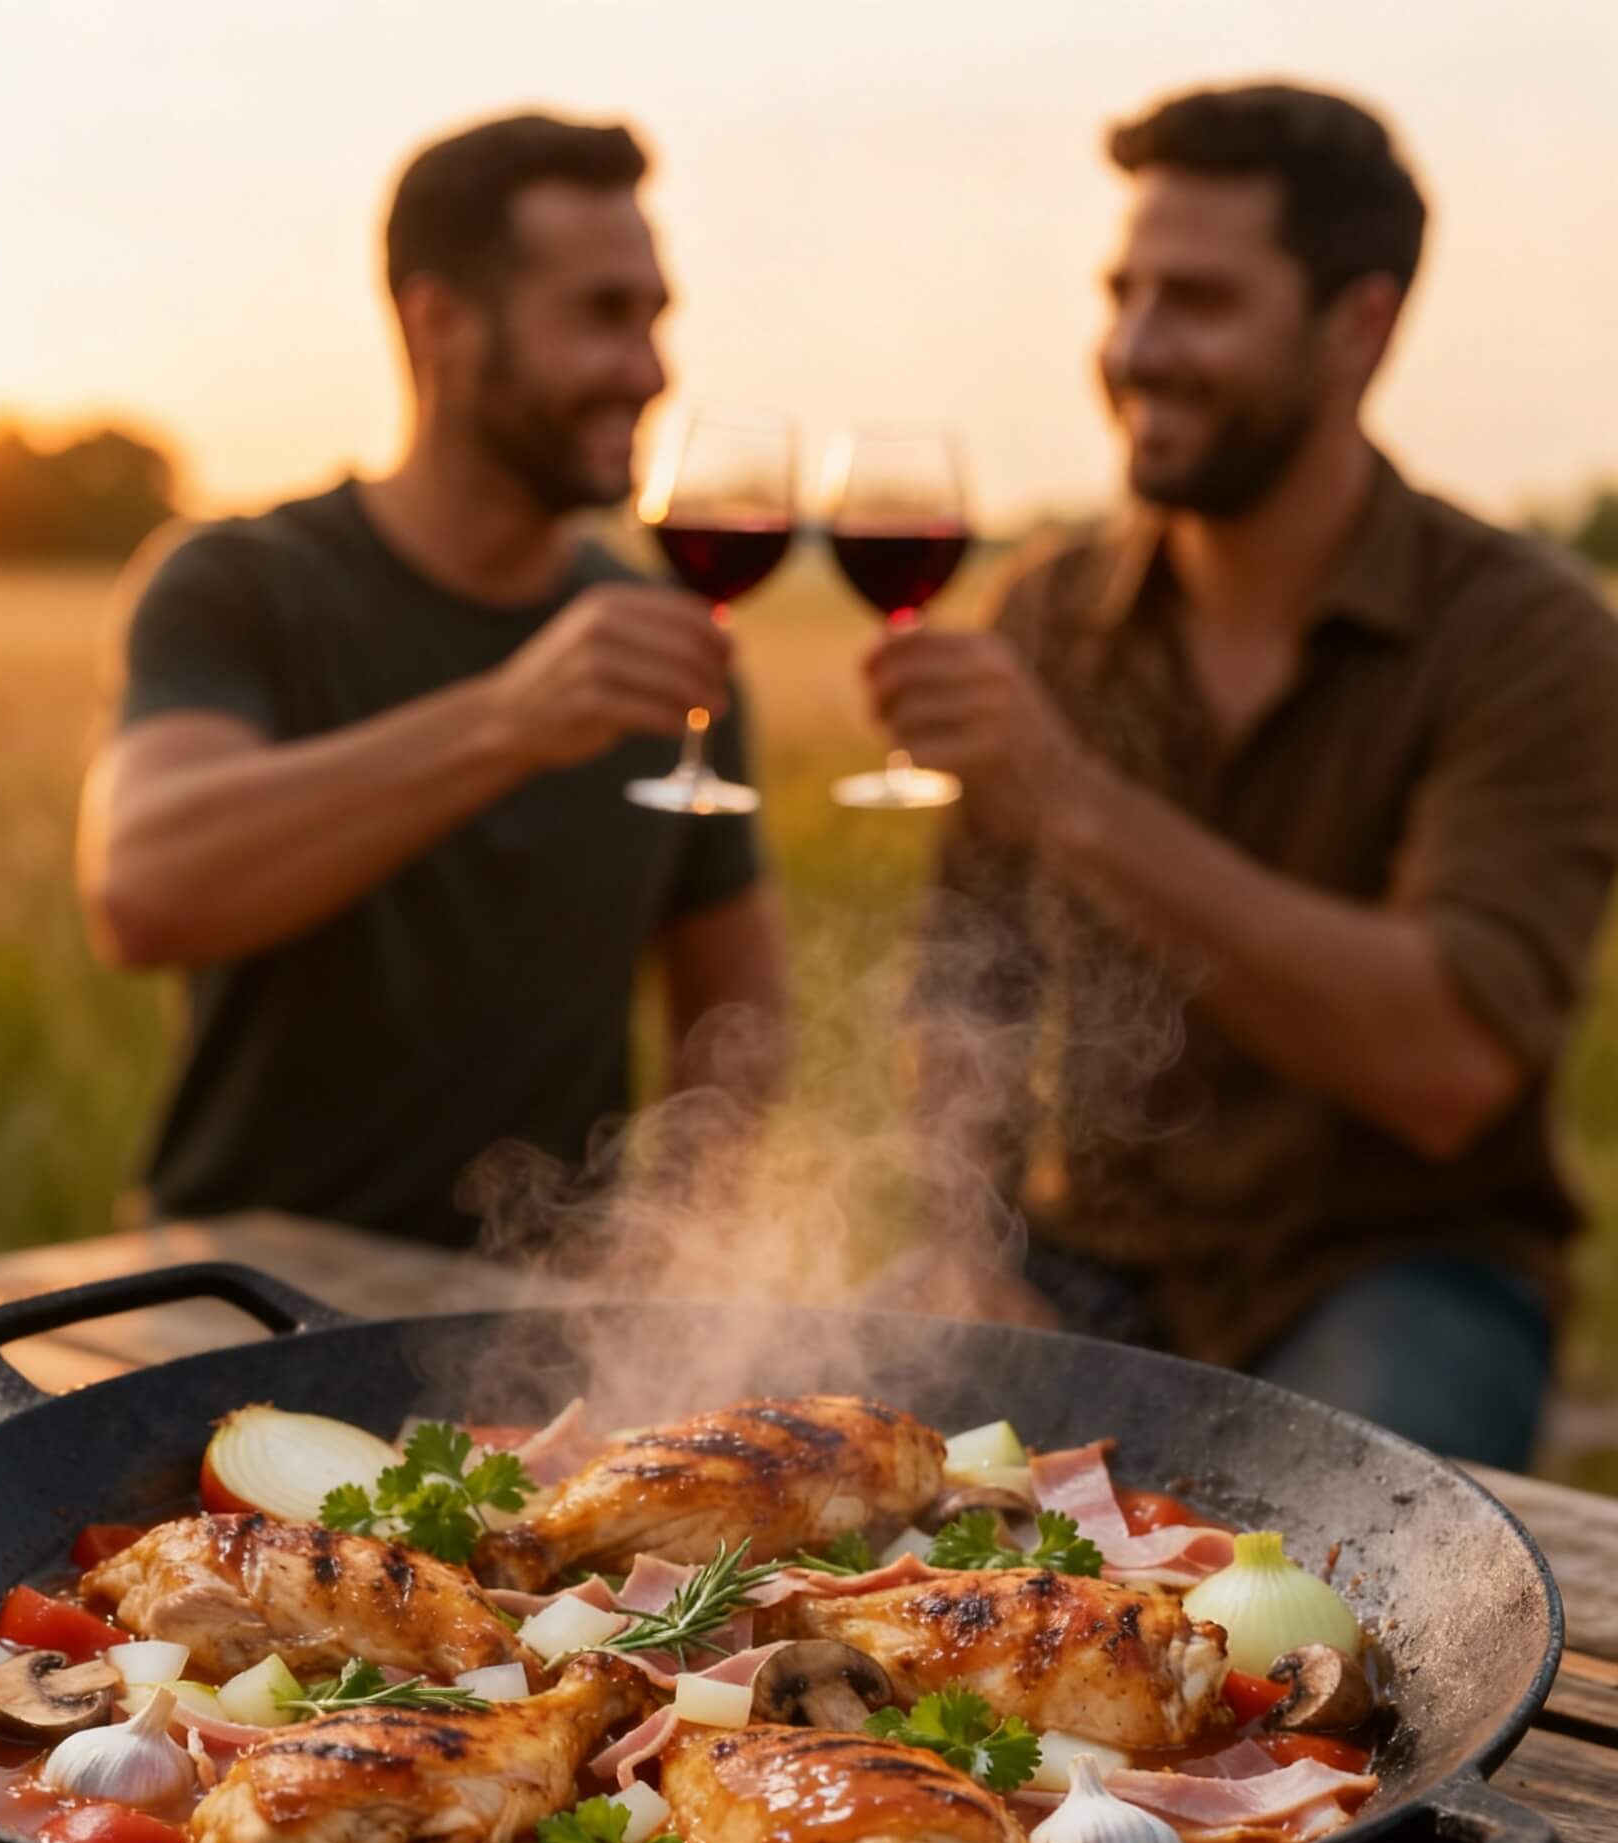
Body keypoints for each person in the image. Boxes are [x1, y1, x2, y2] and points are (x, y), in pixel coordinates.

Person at [870, 81, 1618, 1468]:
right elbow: (967, 981)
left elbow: (1444, 1061)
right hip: (1089, 1263)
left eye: (1199, 301)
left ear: (1361, 326)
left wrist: (1074, 801)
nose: (1137, 349)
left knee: (1333, 1586)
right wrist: (960, 1239)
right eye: (1125, 292)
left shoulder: (1531, 639)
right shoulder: (1049, 612)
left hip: (1399, 1277)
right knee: (806, 1445)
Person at [78, 113, 785, 1250]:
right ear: (440, 321)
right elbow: (145, 888)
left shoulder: (663, 645)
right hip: (236, 1299)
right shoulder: (241, 587)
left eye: (656, 319)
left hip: (538, 1331)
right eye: (603, 314)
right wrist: (510, 719)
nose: (648, 370)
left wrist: (670, 1263)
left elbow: (738, 1013)